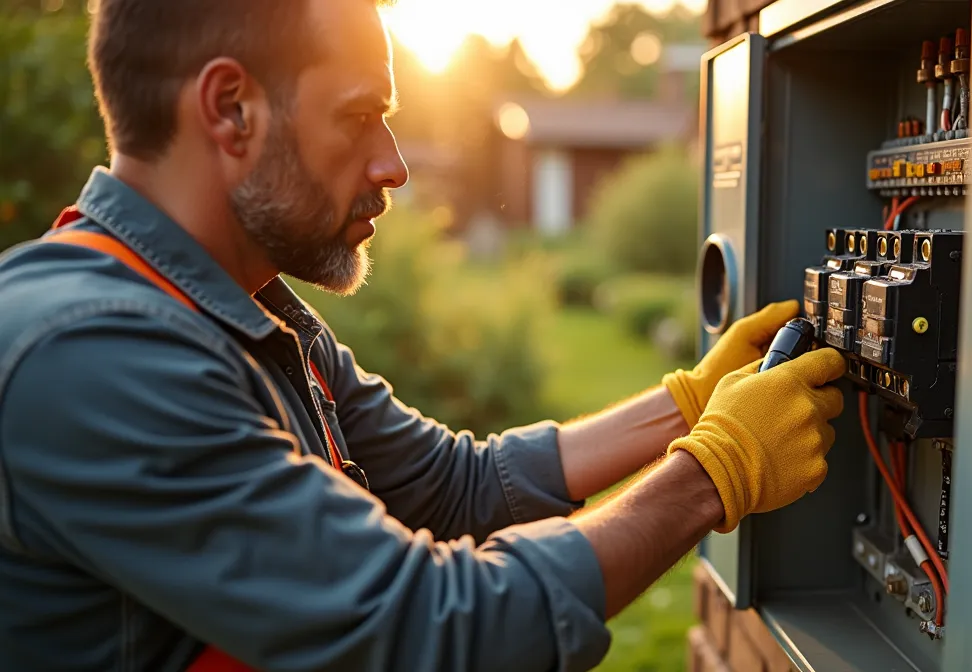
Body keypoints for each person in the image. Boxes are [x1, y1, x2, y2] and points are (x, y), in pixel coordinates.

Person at [0, 0, 847, 670]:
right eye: (359, 115)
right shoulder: (90, 357)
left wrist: (687, 405)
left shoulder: (248, 311)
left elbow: (450, 488)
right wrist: (714, 473)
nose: (393, 164)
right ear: (232, 109)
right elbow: (427, 629)